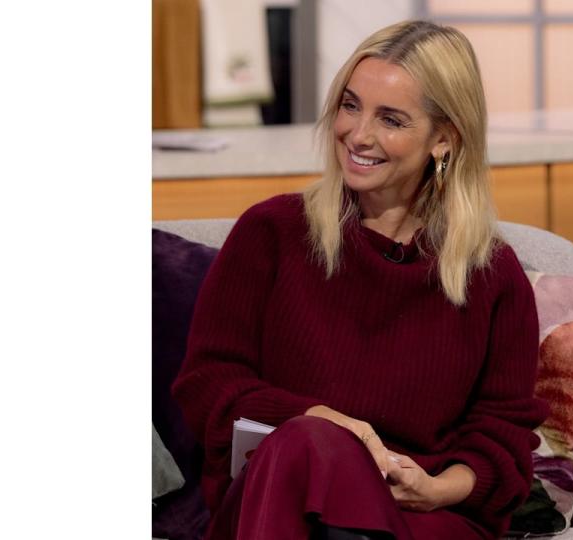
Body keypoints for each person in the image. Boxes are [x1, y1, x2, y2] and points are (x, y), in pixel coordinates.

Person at [172, 20, 549, 540]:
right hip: (281, 494)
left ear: (444, 139)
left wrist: (438, 489)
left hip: (421, 517)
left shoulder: (492, 275)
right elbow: (206, 386)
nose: (358, 134)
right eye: (351, 106)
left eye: (390, 119)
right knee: (306, 442)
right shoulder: (271, 233)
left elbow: (503, 438)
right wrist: (318, 418)